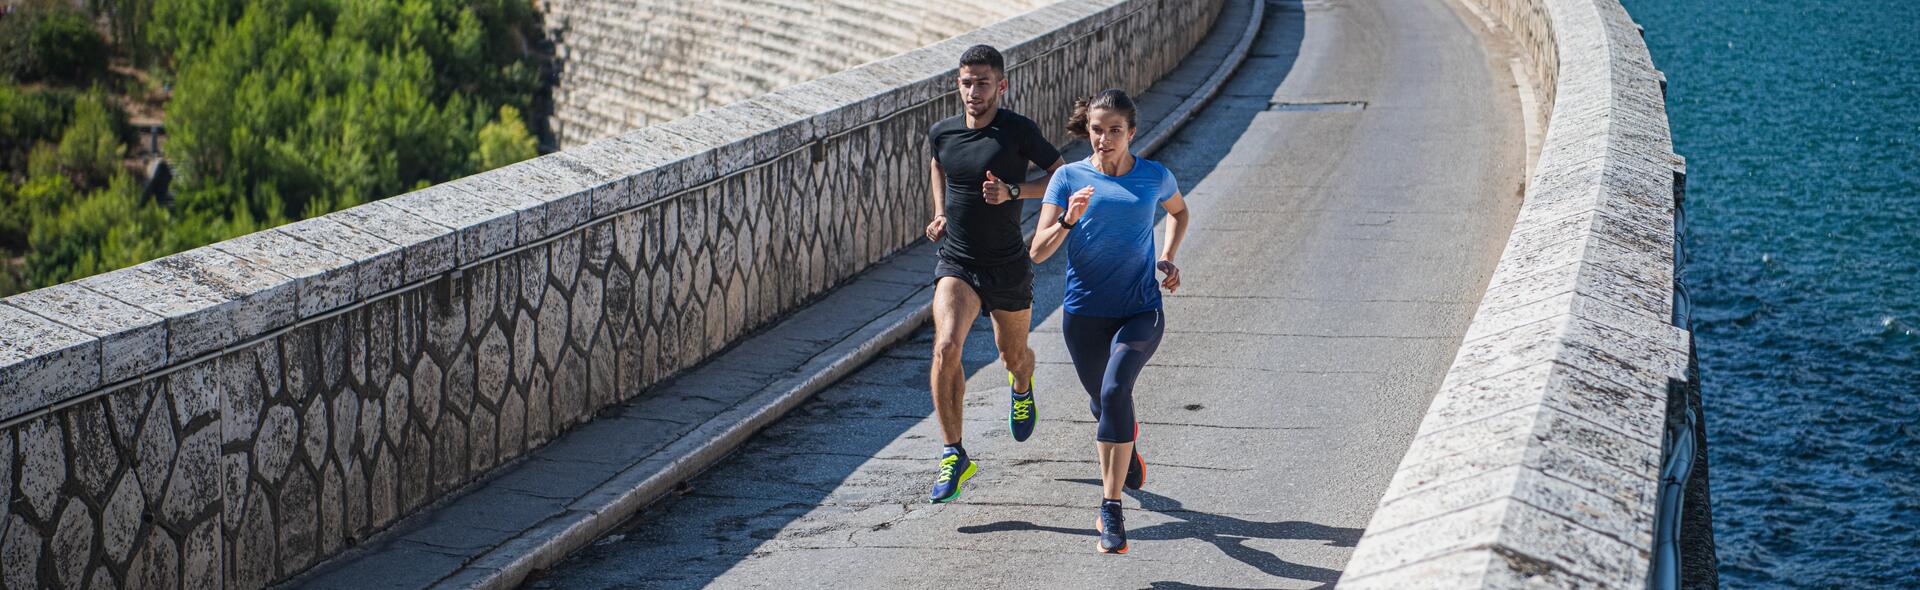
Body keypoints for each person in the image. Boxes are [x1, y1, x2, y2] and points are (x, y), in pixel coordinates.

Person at [1030, 89, 1191, 554]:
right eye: (1097, 130)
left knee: (1116, 390)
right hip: (1083, 317)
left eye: (1115, 131)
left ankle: (1110, 508)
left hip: (1141, 309)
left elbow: (1179, 212)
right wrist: (1067, 221)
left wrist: (1168, 256)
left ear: (1131, 133)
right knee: (1105, 405)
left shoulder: (1153, 176)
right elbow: (1036, 252)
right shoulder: (1068, 179)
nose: (1105, 139)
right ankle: (1127, 449)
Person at [924, 44, 1066, 504]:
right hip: (958, 262)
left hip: (1007, 265)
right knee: (946, 346)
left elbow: (1062, 177)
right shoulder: (942, 132)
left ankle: (1021, 386)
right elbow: (938, 165)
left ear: (1000, 85)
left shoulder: (1018, 131)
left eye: (983, 81)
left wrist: (1014, 192)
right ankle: (954, 453)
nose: (973, 90)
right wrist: (940, 212)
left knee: (1013, 355)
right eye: (966, 81)